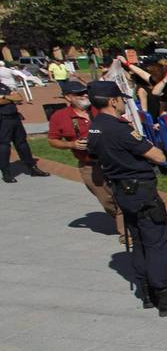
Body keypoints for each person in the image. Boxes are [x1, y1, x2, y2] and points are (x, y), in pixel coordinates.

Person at [84, 80, 167, 315]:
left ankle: (147, 291)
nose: (123, 104)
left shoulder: (95, 127)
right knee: (157, 243)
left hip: (121, 189)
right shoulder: (119, 128)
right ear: (113, 101)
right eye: (121, 100)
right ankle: (164, 296)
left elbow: (95, 155)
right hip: (140, 191)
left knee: (139, 241)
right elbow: (157, 156)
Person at [47, 79, 123, 239]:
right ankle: (122, 220)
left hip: (113, 160)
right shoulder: (60, 116)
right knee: (106, 198)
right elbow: (52, 140)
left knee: (123, 195)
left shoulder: (99, 108)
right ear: (68, 97)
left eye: (85, 92)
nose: (84, 95)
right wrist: (72, 144)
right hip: (89, 164)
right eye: (79, 94)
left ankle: (127, 231)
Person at [0, 81, 47, 184]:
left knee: (22, 144)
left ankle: (32, 168)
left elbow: (19, 97)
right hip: (3, 120)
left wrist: (6, 97)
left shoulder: (3, 85)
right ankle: (6, 173)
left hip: (15, 118)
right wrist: (10, 98)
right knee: (4, 146)